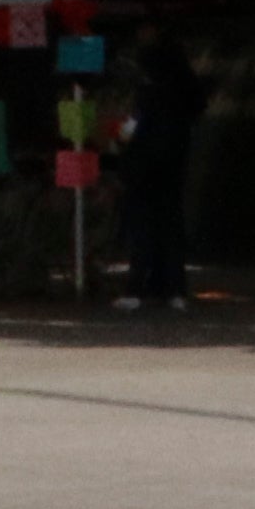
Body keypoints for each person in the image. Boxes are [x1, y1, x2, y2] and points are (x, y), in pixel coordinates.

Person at [111, 23, 204, 312]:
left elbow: (133, 123)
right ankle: (175, 289)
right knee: (171, 223)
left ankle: (137, 289)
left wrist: (118, 143)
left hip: (143, 161)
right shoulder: (184, 82)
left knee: (142, 226)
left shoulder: (145, 83)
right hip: (174, 159)